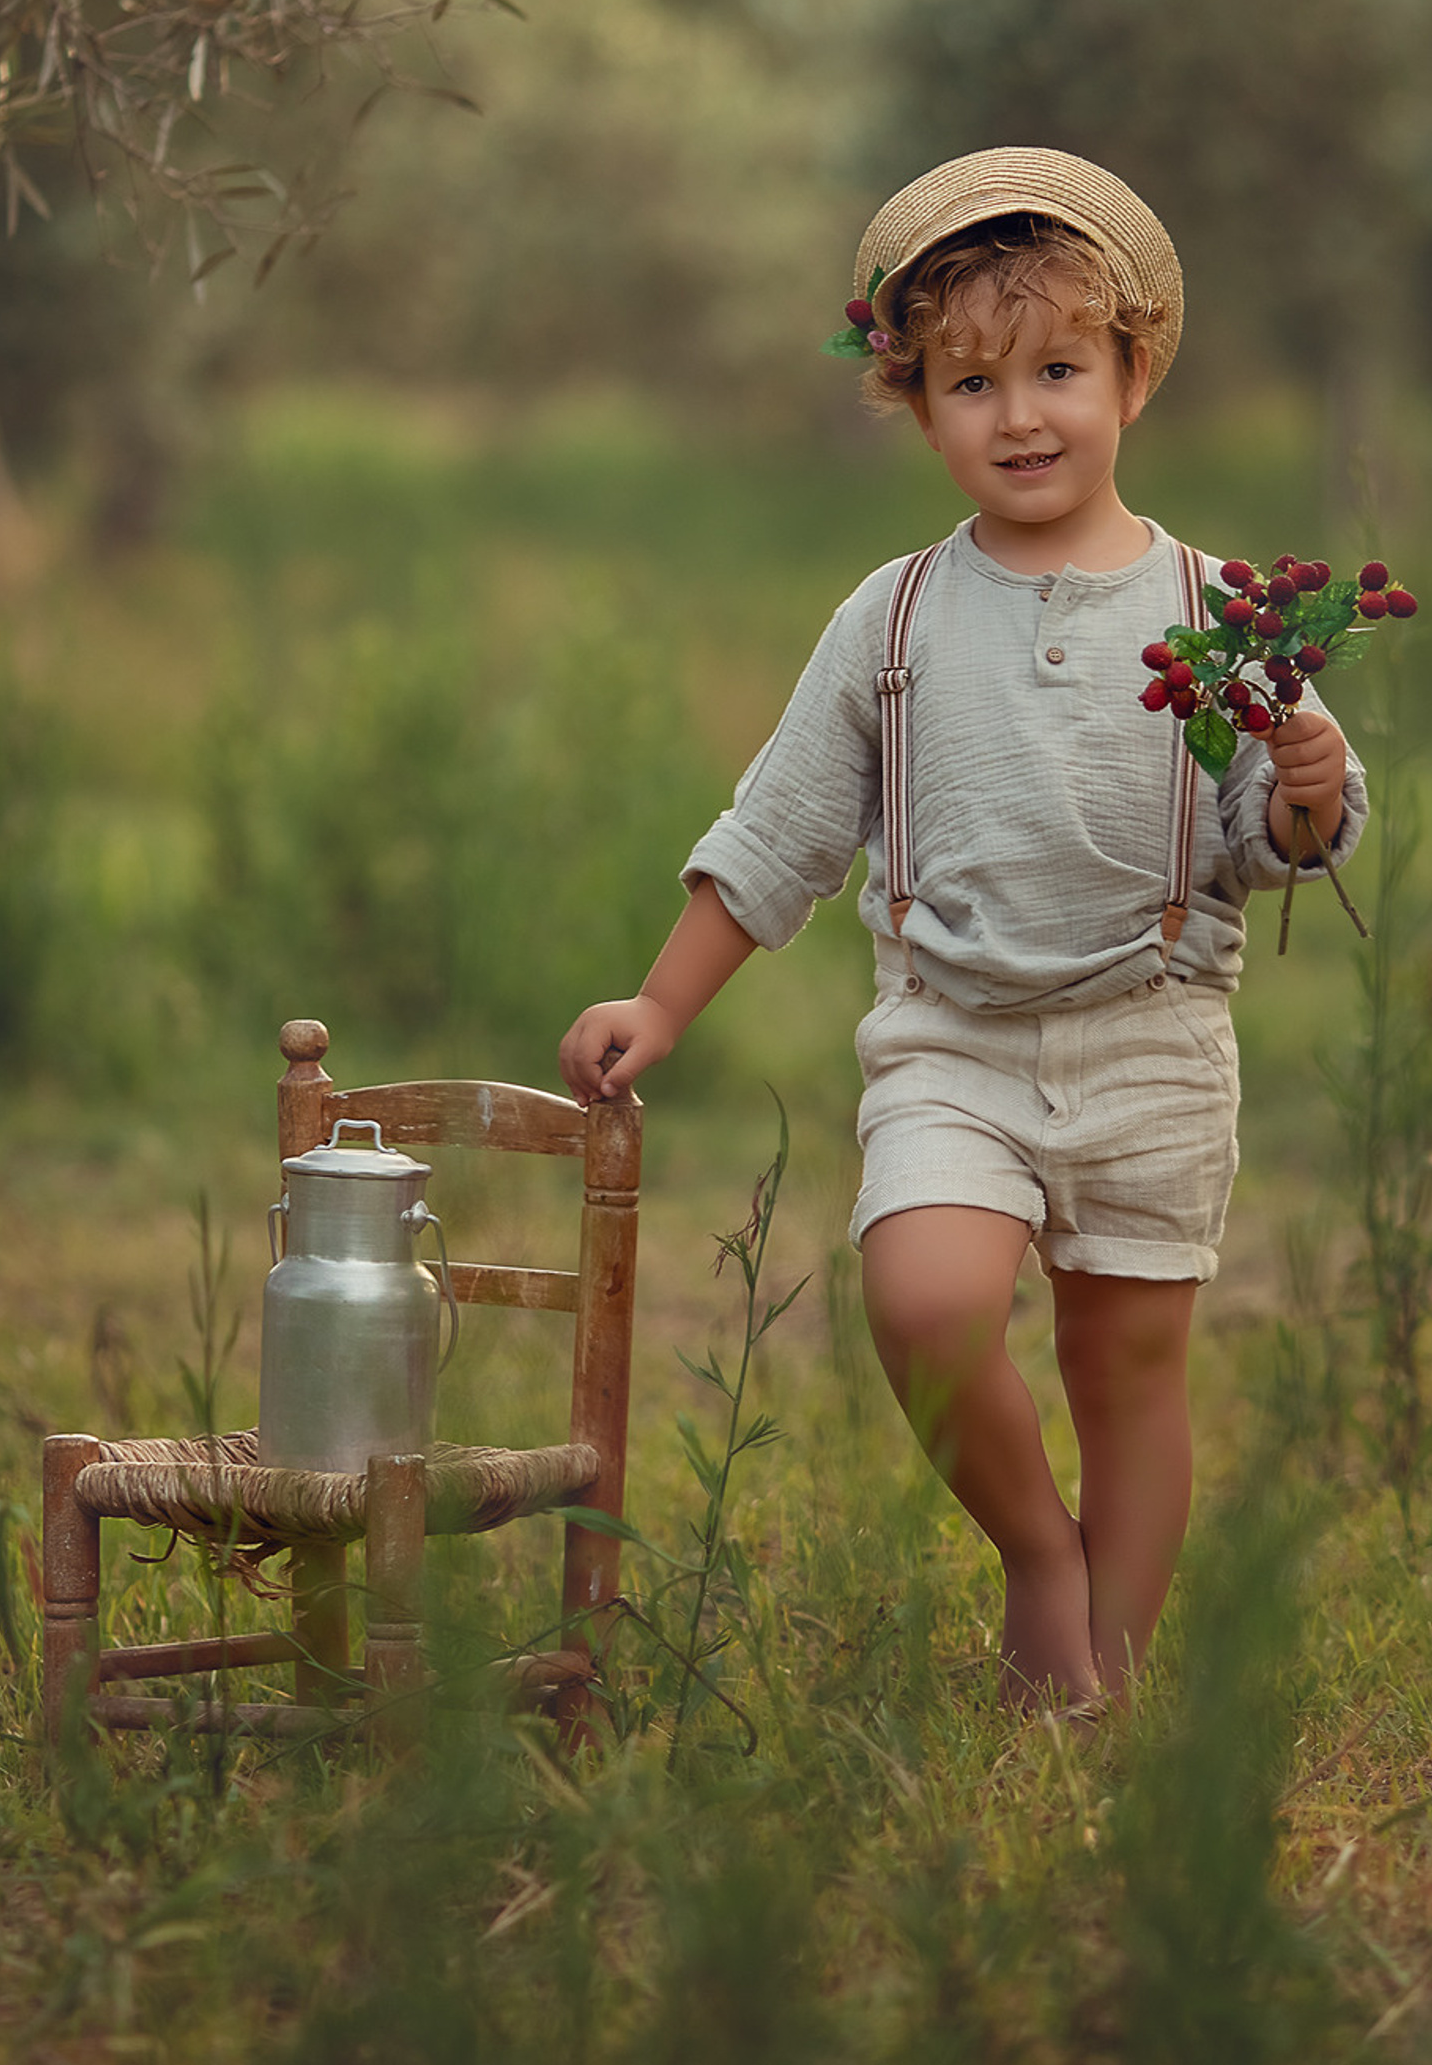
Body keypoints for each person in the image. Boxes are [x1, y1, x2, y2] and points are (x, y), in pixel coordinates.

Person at [555, 147, 1367, 1716]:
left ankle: (1093, 1688)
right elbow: (779, 828)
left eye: (1058, 368)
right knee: (926, 1305)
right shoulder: (896, 617)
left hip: (1154, 1034)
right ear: (913, 401)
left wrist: (1314, 788)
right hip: (953, 1039)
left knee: (1126, 1373)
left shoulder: (1223, 610)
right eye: (970, 382)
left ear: (1133, 374)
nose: (1020, 415)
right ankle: (1038, 1560)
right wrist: (658, 1010)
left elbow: (1287, 843)